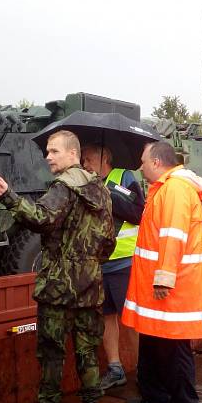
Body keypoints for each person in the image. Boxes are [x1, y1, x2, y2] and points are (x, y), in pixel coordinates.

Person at [0, 130, 115, 403]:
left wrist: (9, 197)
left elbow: (41, 219)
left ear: (73, 154)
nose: (48, 157)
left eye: (54, 151)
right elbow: (108, 242)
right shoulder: (102, 190)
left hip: (58, 284)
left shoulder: (62, 187)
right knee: (87, 351)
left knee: (52, 351)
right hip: (90, 283)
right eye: (47, 152)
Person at [121, 141, 202, 403]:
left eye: (144, 161)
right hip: (158, 286)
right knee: (152, 339)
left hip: (171, 288)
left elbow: (173, 236)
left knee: (173, 347)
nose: (141, 166)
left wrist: (164, 278)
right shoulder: (165, 189)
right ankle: (155, 395)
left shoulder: (174, 190)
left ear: (157, 162)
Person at [80, 143, 145, 390]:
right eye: (83, 160)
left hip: (124, 262)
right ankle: (115, 368)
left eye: (88, 159)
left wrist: (108, 192)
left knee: (130, 319)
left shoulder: (123, 177)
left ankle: (143, 371)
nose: (85, 164)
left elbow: (138, 212)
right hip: (99, 264)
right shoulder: (85, 183)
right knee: (107, 316)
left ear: (104, 157)